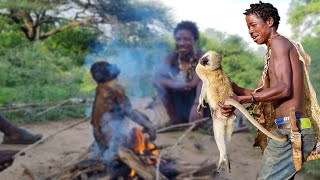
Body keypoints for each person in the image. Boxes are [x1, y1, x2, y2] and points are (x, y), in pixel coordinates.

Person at [219, 1, 318, 179]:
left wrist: (242, 100)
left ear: (270, 22)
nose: (250, 31)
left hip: (292, 131)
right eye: (248, 27)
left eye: (254, 25)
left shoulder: (279, 43)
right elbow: (263, 94)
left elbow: (284, 89)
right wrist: (231, 88)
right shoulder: (274, 50)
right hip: (287, 130)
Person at [153, 20, 209, 124]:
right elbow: (157, 79)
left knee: (204, 82)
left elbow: (200, 81)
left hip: (200, 101)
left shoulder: (203, 56)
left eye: (187, 39)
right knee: (161, 87)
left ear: (195, 40)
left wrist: (197, 104)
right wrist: (177, 85)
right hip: (181, 100)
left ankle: (205, 120)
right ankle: (175, 120)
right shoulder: (171, 57)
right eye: (178, 39)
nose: (182, 43)